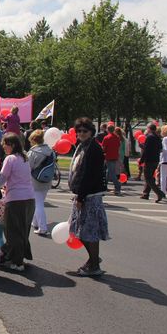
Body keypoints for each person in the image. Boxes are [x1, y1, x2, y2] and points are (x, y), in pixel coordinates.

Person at [68, 117, 109, 276]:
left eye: (84, 131)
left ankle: (94, 265)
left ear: (91, 132)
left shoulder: (93, 148)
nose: (81, 133)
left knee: (88, 232)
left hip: (90, 196)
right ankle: (93, 259)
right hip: (83, 193)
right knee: (80, 230)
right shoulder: (83, 146)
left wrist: (81, 197)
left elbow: (89, 175)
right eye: (78, 131)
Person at [0, 133, 35, 271]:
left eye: (5, 144)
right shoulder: (25, 157)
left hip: (15, 199)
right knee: (23, 230)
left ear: (12, 145)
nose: (3, 146)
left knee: (12, 231)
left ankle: (17, 262)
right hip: (29, 198)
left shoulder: (10, 159)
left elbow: (2, 178)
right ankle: (20, 256)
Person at [27, 130, 54, 235]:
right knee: (39, 202)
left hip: (35, 180)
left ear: (33, 140)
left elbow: (28, 167)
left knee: (38, 204)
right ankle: (35, 222)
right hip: (47, 180)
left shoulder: (33, 152)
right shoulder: (50, 151)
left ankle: (42, 228)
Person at [140, 123, 165, 202]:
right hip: (156, 160)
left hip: (149, 160)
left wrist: (142, 160)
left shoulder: (149, 137)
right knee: (150, 177)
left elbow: (146, 150)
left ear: (149, 129)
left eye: (147, 128)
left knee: (148, 178)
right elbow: (160, 148)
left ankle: (159, 193)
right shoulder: (158, 137)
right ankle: (145, 194)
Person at [101, 124, 122, 196]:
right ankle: (104, 186)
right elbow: (118, 146)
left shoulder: (106, 138)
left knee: (112, 172)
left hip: (108, 156)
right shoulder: (117, 137)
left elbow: (103, 148)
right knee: (108, 172)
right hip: (115, 156)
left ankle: (118, 187)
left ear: (107, 129)